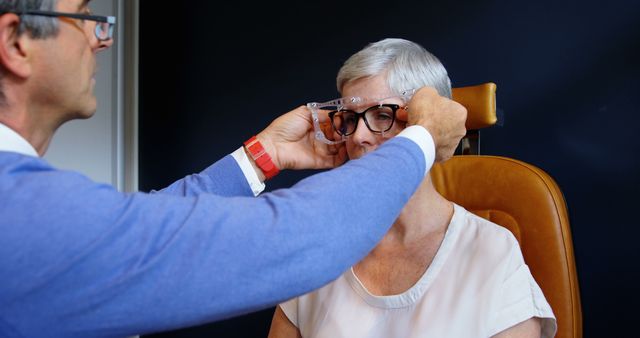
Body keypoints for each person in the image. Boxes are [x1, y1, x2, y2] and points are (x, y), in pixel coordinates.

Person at [0, 1, 467, 338]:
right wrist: (420, 138)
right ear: (15, 42)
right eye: (84, 18)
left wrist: (263, 155)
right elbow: (298, 238)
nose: (100, 41)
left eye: (385, 117)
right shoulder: (19, 212)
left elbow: (147, 231)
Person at [268, 38, 557, 338]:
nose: (358, 137)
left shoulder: (491, 251)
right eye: (350, 119)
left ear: (436, 126)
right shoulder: (318, 247)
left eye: (383, 115)